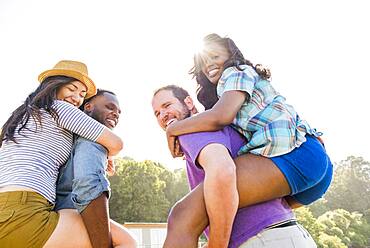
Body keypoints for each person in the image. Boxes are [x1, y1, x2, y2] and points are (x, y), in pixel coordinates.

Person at [166, 34, 332, 208]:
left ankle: (218, 238)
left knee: (195, 208)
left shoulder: (236, 72)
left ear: (231, 56)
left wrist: (173, 129)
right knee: (259, 216)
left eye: (215, 56)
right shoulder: (228, 93)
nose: (208, 64)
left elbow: (220, 117)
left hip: (295, 155)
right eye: (203, 62)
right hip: (308, 158)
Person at [152, 85, 318, 248]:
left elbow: (222, 171)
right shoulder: (225, 129)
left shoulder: (189, 130)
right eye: (157, 113)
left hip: (260, 239)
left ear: (188, 102)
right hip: (288, 233)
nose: (163, 116)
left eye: (167, 106)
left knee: (181, 216)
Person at [0, 60, 123, 247]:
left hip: (8, 209)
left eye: (82, 94)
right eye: (72, 89)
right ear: (54, 85)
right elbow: (116, 143)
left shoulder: (20, 117)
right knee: (126, 241)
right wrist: (109, 154)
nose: (77, 98)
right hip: (25, 213)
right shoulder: (59, 108)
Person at [55, 89, 137, 248]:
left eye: (119, 112)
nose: (115, 114)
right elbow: (88, 182)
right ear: (88, 107)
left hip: (52, 214)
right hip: (68, 214)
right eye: (109, 107)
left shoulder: (66, 137)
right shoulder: (93, 140)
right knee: (128, 242)